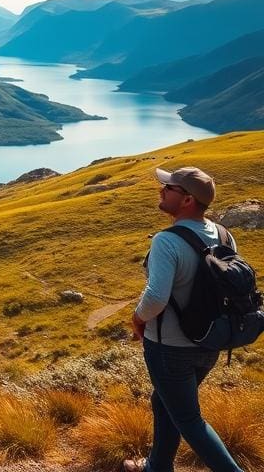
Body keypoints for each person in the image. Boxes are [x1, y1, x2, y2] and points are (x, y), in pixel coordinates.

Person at [124, 167, 245, 472]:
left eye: (169, 188)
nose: (161, 191)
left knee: (189, 420)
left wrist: (138, 319)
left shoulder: (167, 241)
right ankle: (157, 466)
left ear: (188, 199)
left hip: (169, 348)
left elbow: (155, 298)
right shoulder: (224, 234)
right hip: (209, 343)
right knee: (164, 403)